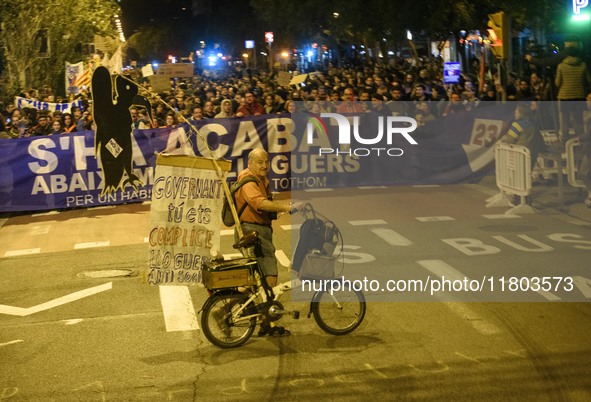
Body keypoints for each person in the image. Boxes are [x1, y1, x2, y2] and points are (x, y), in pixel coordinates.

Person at [233, 149, 295, 337]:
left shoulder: (258, 179)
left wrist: (281, 210)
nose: (264, 166)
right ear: (250, 163)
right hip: (255, 232)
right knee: (270, 276)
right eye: (259, 162)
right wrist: (286, 206)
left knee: (255, 280)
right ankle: (269, 324)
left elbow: (265, 207)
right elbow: (258, 203)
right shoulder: (249, 180)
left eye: (266, 162)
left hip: (255, 230)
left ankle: (228, 307)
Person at [555, 39, 591, 144]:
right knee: (578, 119)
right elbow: (588, 81)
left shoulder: (561, 66)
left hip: (564, 96)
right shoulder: (583, 65)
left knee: (564, 119)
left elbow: (557, 83)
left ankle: (564, 141)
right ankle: (580, 141)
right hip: (579, 96)